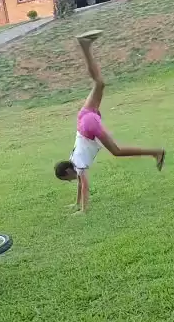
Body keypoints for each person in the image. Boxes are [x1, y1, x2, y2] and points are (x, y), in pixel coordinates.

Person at [54, 31, 165, 213]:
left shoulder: (79, 164)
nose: (70, 181)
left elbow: (84, 186)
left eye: (67, 179)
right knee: (99, 83)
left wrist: (82, 211)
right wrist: (76, 203)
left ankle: (156, 152)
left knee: (117, 151)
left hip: (89, 127)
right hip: (83, 118)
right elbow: (79, 183)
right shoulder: (73, 159)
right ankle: (85, 46)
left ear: (67, 172)